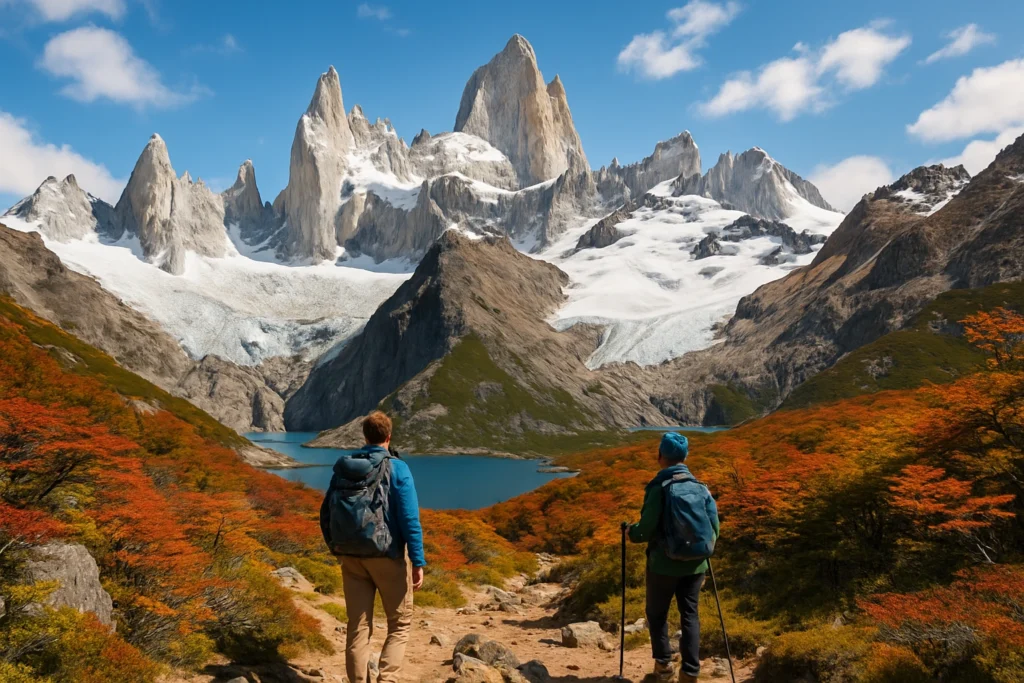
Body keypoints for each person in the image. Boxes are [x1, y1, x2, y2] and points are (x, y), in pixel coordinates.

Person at [319, 411, 426, 683]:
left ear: (365, 436)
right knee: (399, 625)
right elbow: (410, 518)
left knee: (358, 628)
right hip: (387, 555)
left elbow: (325, 512)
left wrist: (336, 547)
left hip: (351, 556)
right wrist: (418, 561)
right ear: (389, 437)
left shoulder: (345, 467)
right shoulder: (398, 467)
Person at [628, 432, 720, 683]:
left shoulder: (659, 488)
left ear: (660, 456)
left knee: (657, 614)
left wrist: (629, 532)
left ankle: (664, 668)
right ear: (685, 456)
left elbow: (645, 530)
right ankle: (690, 672)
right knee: (689, 614)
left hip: (663, 565)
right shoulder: (701, 487)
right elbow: (715, 528)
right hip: (696, 565)